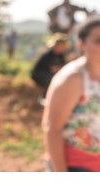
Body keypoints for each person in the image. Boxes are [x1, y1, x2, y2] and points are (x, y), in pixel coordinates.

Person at [42, 16, 100, 172]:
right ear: (81, 44)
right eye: (98, 41)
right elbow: (52, 128)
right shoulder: (73, 78)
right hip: (77, 165)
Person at [31, 33, 69, 98]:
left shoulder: (61, 55)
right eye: (62, 45)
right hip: (39, 74)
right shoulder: (48, 54)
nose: (63, 48)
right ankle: (45, 97)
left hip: (50, 74)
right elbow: (52, 69)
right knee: (52, 79)